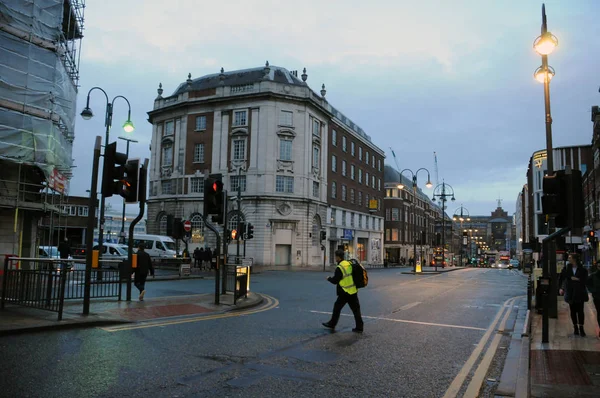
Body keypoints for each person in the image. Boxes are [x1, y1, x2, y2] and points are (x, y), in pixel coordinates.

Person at [322, 250, 364, 333]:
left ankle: (332, 323)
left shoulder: (340, 267)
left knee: (337, 307)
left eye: (335, 257)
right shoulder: (348, 263)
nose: (335, 258)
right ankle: (359, 327)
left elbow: (335, 280)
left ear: (338, 257)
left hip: (345, 291)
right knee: (356, 310)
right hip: (353, 290)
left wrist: (329, 278)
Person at [559, 253, 589, 336]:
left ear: (574, 259)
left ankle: (581, 328)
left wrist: (577, 279)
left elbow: (585, 280)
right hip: (570, 292)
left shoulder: (582, 269)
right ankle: (575, 327)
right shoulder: (567, 268)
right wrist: (561, 288)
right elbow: (562, 278)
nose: (568, 259)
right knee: (572, 310)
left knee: (580, 311)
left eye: (570, 257)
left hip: (580, 292)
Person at [586, 262, 600, 338]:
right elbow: (588, 283)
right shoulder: (593, 275)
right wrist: (593, 290)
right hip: (597, 297)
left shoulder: (593, 275)